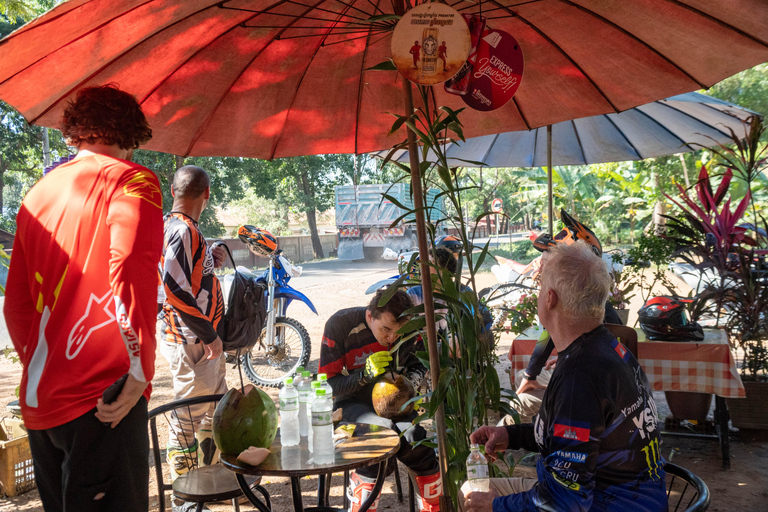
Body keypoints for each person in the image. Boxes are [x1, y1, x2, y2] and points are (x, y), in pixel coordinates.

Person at [3, 84, 162, 512]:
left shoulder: (37, 193)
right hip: (104, 397)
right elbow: (129, 267)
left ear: (76, 131)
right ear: (131, 134)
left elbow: (16, 303)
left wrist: (45, 363)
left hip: (42, 400)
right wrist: (140, 368)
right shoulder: (134, 181)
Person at [461, 241, 666, 512]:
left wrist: (496, 506)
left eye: (540, 286)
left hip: (603, 504)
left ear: (550, 298)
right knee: (474, 492)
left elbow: (565, 502)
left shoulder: (579, 377)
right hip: (632, 497)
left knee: (472, 498)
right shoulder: (610, 348)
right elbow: (576, 437)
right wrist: (511, 435)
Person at [318, 289, 442, 512]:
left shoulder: (411, 331)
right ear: (369, 316)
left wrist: (409, 381)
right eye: (385, 329)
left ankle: (433, 507)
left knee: (417, 440)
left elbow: (420, 363)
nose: (392, 338)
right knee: (378, 437)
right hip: (351, 402)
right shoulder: (341, 324)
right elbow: (329, 384)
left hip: (397, 401)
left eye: (398, 332)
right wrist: (364, 375)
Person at [507, 209, 622, 424]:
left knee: (520, 401)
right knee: (524, 378)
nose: (539, 275)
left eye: (548, 272)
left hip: (584, 401)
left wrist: (532, 375)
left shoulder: (578, 369)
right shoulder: (597, 320)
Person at [157, 165, 227, 510]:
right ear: (207, 193)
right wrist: (209, 335)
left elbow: (186, 278)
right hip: (192, 341)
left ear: (173, 190)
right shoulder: (182, 230)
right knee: (187, 417)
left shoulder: (180, 230)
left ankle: (207, 483)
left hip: (196, 341)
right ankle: (185, 496)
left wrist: (211, 260)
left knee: (213, 412)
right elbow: (173, 288)